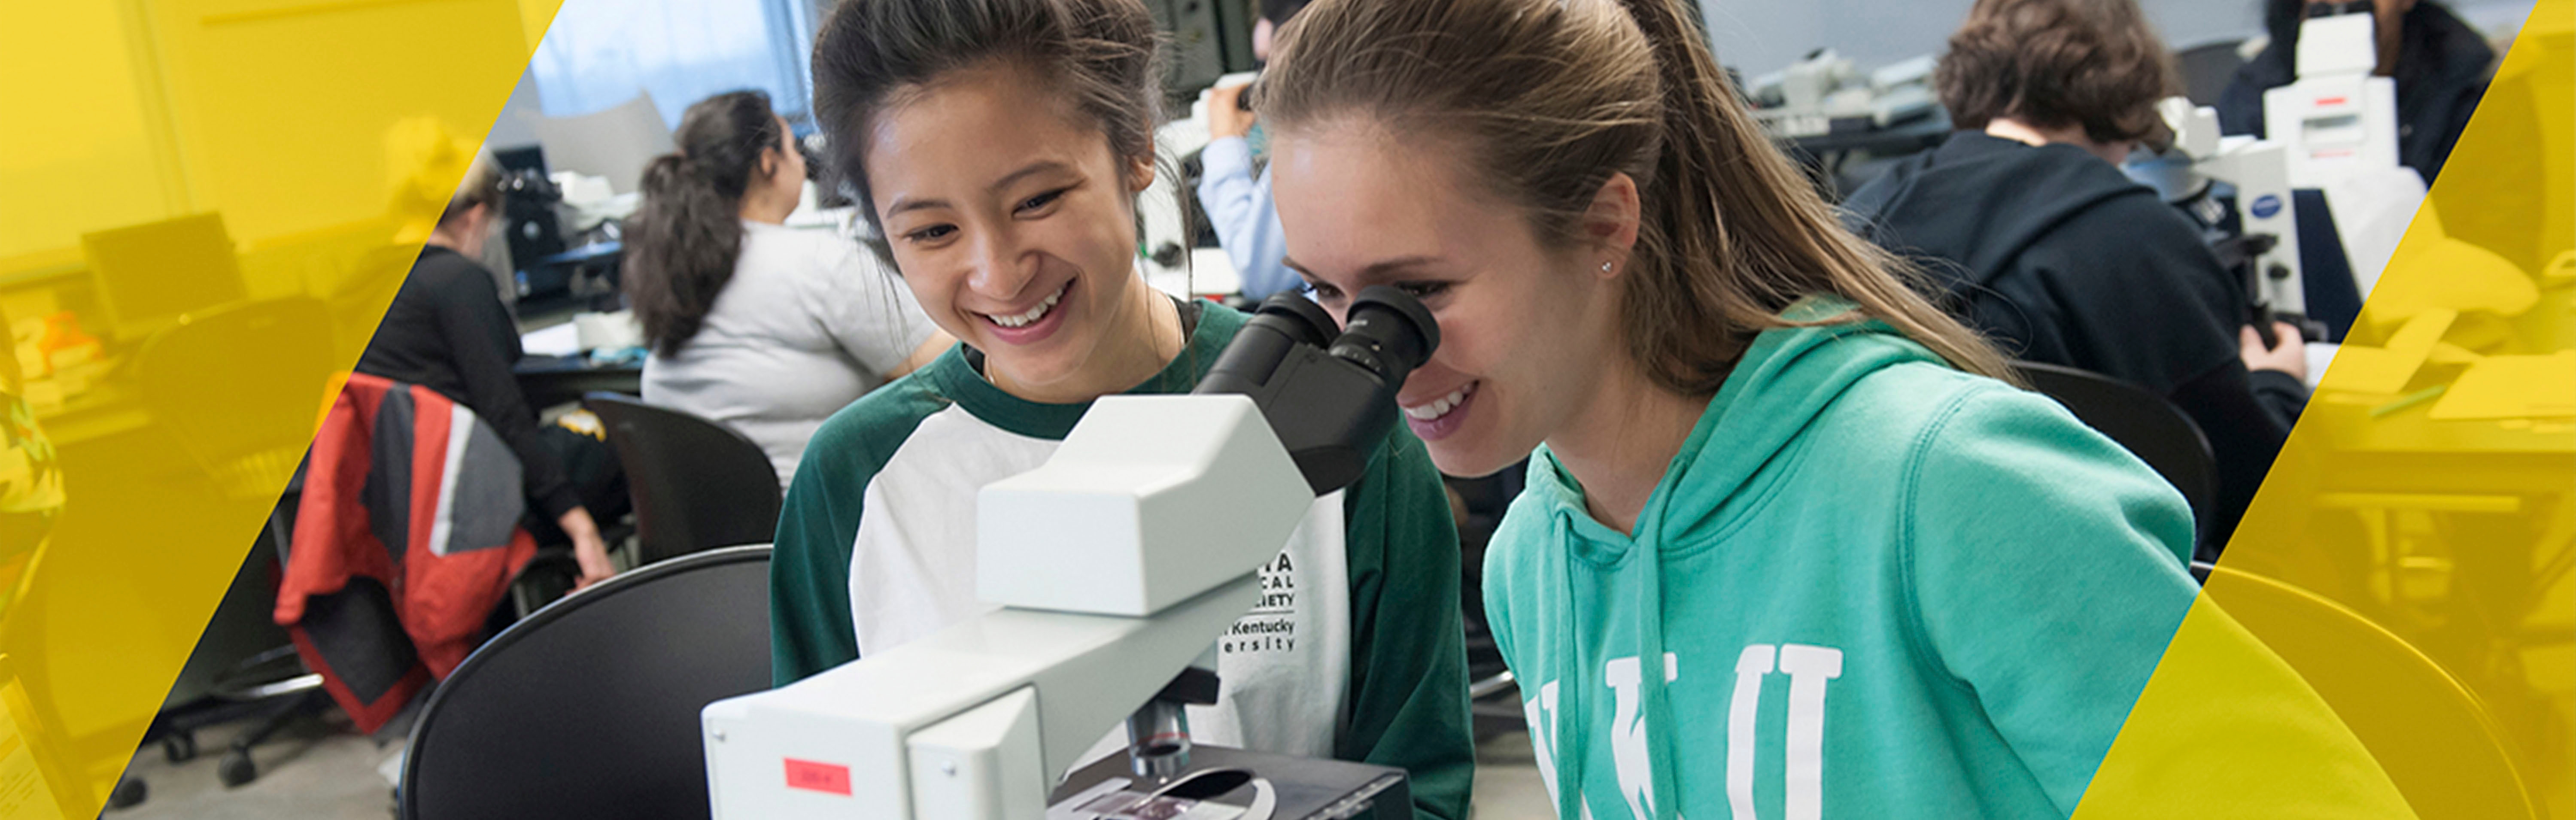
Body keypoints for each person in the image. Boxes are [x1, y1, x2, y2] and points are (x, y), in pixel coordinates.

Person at [1258, 0, 2407, 817]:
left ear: (1608, 225)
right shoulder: (1534, 559)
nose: (1378, 360)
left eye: (1419, 294)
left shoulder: (1948, 486)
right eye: (1328, 294)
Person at [772, 0, 1474, 815]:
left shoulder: (1336, 427)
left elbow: (1421, 789)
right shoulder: (856, 481)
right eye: (931, 232)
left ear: (1137, 147)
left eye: (1037, 200)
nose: (999, 274)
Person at [1839, 0, 2305, 551]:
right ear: (2126, 88)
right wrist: (2280, 385)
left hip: (1908, 567)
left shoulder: (1863, 217)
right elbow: (2253, 488)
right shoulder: (2137, 235)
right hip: (2125, 582)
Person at [626, 90, 951, 488]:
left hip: (716, 537)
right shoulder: (816, 260)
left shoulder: (668, 264)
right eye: (791, 149)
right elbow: (940, 363)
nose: (802, 161)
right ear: (768, 163)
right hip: (818, 520)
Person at [359, 149, 621, 588]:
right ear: (476, 216)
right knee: (618, 440)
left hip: (406, 508)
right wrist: (581, 527)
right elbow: (506, 415)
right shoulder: (456, 280)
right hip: (471, 503)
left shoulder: (363, 283)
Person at [2221, 0, 2542, 273]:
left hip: (2449, 298)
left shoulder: (2477, 83)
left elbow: (2506, 240)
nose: (2340, 10)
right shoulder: (2256, 92)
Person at [1195, 0, 1312, 300]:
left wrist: (1224, 141)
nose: (1265, 84)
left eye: (1271, 66)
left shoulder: (1315, 142)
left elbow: (1261, 273)